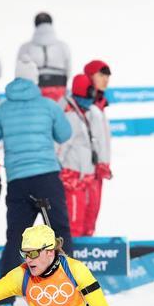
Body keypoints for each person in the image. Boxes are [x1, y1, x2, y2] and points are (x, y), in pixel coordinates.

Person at [0, 58, 72, 306]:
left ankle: (6, 301)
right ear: (35, 80)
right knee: (58, 232)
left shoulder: (1, 109)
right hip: (47, 177)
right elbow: (65, 134)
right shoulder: (48, 106)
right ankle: (70, 289)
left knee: (16, 237)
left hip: (18, 180)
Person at [59, 74, 107, 237]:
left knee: (89, 221)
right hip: (72, 176)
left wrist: (102, 163)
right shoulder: (69, 114)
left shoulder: (93, 112)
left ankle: (84, 257)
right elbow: (61, 146)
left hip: (89, 175)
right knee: (74, 224)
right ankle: (70, 260)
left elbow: (101, 142)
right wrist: (58, 169)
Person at [83, 60, 113, 236]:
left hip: (98, 170)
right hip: (86, 171)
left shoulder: (100, 104)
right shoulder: (85, 105)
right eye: (101, 75)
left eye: (107, 76)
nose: (106, 79)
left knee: (92, 215)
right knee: (83, 218)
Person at [17, 12, 71, 102]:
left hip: (34, 91)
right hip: (59, 91)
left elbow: (20, 72)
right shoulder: (63, 46)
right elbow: (68, 70)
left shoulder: (25, 47)